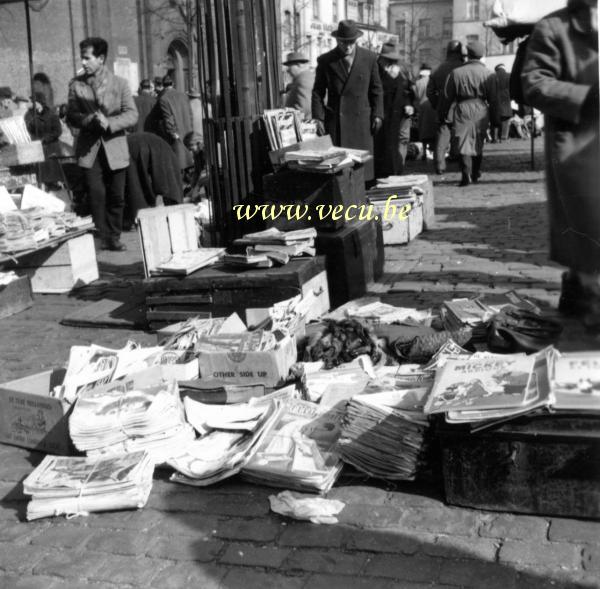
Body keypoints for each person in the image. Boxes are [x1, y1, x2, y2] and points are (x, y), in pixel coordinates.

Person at [521, 0, 599, 324]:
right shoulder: (553, 27)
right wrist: (589, 96)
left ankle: (580, 296)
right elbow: (534, 83)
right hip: (578, 141)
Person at [67, 36, 138, 251]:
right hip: (90, 149)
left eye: (87, 58)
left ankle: (114, 236)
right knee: (96, 194)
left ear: (101, 58)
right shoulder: (76, 85)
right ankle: (104, 236)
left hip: (115, 146)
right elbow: (71, 115)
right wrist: (86, 120)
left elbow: (133, 114)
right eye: (82, 58)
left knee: (117, 195)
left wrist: (110, 123)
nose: (83, 62)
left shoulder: (120, 84)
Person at [311, 19, 383, 181]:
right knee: (340, 172)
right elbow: (318, 91)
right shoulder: (326, 60)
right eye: (344, 43)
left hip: (362, 122)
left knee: (362, 171)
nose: (348, 46)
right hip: (337, 121)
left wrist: (378, 114)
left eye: (351, 42)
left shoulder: (369, 58)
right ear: (337, 40)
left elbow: (376, 89)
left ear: (356, 40)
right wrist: (318, 117)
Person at [441, 40, 499, 186]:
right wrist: (496, 118)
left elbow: (447, 96)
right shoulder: (489, 74)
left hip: (462, 108)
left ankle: (466, 173)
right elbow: (494, 99)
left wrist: (443, 114)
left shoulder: (456, 73)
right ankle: (475, 172)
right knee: (478, 141)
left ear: (468, 54)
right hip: (481, 108)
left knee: (463, 142)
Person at [374, 42, 414, 177]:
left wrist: (407, 104)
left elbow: (405, 92)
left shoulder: (398, 72)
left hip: (396, 115)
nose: (391, 63)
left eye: (393, 61)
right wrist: (390, 77)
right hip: (381, 115)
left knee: (394, 145)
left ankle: (394, 171)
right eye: (388, 60)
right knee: (383, 147)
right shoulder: (377, 70)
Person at [427, 40, 464, 174]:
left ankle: (439, 165)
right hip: (461, 108)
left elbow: (430, 91)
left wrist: (437, 104)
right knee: (460, 136)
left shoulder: (439, 68)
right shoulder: (464, 67)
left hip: (443, 107)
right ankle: (459, 162)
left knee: (442, 136)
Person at [24, 92, 63, 188]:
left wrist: (45, 139)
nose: (31, 103)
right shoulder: (29, 115)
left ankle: (55, 187)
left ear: (39, 102)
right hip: (38, 148)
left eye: (33, 101)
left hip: (51, 147)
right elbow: (27, 130)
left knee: (52, 173)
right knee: (40, 174)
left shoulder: (52, 115)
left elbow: (58, 131)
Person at [157, 74, 194, 173]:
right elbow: (190, 113)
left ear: (163, 85)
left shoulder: (163, 98)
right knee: (189, 162)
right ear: (173, 84)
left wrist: (173, 133)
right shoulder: (184, 95)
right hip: (188, 131)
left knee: (179, 163)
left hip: (177, 134)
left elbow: (168, 118)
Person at [282, 51, 315, 120]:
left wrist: (285, 120)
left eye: (289, 66)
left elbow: (304, 109)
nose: (287, 70)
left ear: (299, 65)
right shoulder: (306, 78)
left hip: (305, 127)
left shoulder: (303, 81)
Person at [414, 64, 436, 161]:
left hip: (422, 107)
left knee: (423, 130)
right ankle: (435, 152)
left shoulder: (418, 83)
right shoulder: (433, 81)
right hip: (433, 106)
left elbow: (416, 98)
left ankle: (424, 153)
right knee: (434, 129)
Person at [492, 64, 512, 142]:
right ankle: (504, 137)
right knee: (505, 119)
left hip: (495, 101)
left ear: (496, 69)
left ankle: (495, 138)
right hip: (506, 100)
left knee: (495, 119)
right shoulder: (509, 75)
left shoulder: (492, 76)